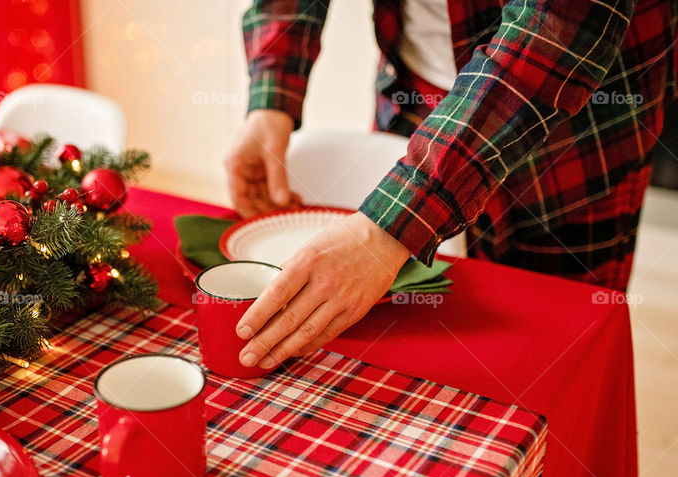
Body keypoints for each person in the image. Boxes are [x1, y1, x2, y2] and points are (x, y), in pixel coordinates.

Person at [225, 0, 677, 370]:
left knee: (548, 354)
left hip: (576, 129)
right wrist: (272, 94)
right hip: (412, 93)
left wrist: (385, 231)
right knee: (397, 344)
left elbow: (554, 30)